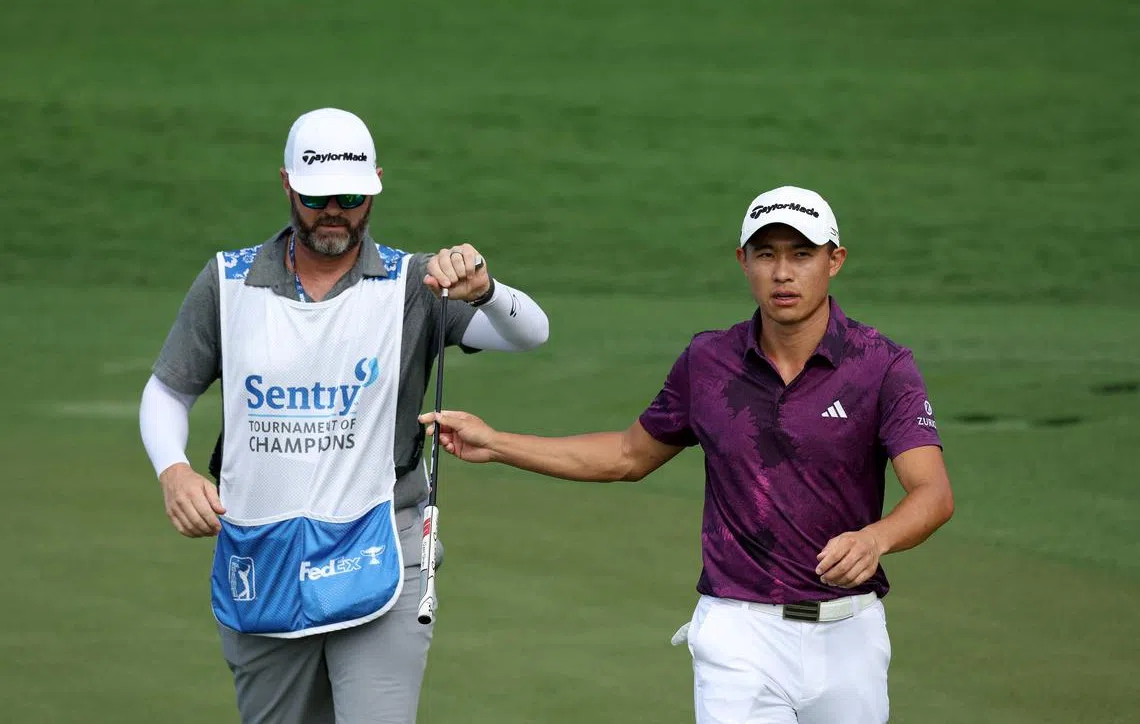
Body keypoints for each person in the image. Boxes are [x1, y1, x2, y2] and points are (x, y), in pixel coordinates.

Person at [419, 185, 954, 724]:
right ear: (743, 261)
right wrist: (497, 443)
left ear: (834, 261)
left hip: (850, 636)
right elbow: (629, 455)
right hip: (740, 633)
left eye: (802, 254)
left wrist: (875, 538)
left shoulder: (881, 365)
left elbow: (932, 493)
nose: (783, 273)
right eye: (766, 254)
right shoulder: (709, 361)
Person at [138, 107, 550, 724]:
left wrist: (486, 290)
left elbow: (531, 334)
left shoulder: (417, 284)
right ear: (287, 186)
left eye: (352, 196)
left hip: (383, 546)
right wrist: (173, 470)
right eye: (317, 196)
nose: (334, 210)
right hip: (262, 552)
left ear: (376, 185)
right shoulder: (227, 281)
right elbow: (167, 391)